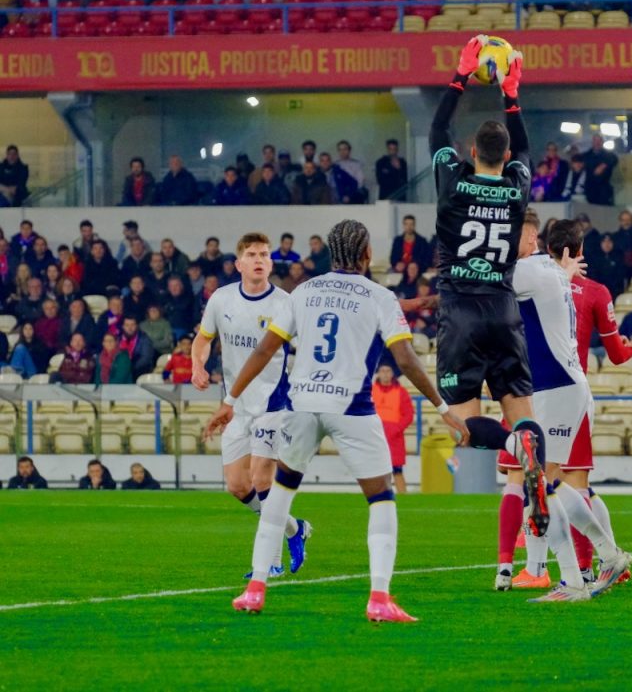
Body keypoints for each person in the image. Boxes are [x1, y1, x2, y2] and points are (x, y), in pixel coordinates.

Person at [207, 221, 467, 621]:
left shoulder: (303, 291)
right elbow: (405, 359)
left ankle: (255, 590)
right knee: (381, 498)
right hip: (351, 407)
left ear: (332, 253)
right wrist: (443, 407)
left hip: (301, 404)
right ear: (366, 254)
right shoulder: (379, 295)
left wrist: (229, 400)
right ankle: (379, 597)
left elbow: (263, 351)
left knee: (280, 492)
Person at [427, 37, 554, 556]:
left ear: (472, 152)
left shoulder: (452, 182)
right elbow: (524, 151)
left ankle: (510, 445)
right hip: (503, 308)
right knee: (523, 411)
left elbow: (437, 131)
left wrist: (460, 78)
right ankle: (527, 449)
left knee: (461, 425)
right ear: (503, 157)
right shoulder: (517, 185)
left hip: (460, 309)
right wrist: (512, 95)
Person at [494, 214, 632, 598]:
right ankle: (608, 555)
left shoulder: (530, 271)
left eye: (514, 234)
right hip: (560, 386)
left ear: (533, 239)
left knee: (540, 484)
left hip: (554, 387)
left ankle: (573, 578)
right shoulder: (547, 271)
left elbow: (485, 285)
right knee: (551, 480)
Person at [194, 232, 311, 580]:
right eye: (252, 254)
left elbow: (307, 346)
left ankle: (271, 562)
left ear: (271, 263)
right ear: (239, 264)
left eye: (264, 254)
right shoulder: (222, 299)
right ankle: (294, 528)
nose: (259, 260)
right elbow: (203, 338)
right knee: (237, 486)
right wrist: (198, 364)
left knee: (262, 477)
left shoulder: (286, 304)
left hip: (274, 403)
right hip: (236, 406)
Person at [372, 364, 414, 494]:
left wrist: (397, 428)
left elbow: (409, 414)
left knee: (397, 470)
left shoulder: (401, 392)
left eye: (388, 371)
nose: (385, 374)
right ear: (378, 373)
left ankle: (403, 497)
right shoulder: (370, 391)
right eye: (382, 371)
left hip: (394, 438)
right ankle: (378, 497)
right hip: (375, 436)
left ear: (392, 373)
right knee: (375, 471)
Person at [581, 134, 618, 206]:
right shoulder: (586, 156)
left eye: (599, 140)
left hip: (604, 191)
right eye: (595, 140)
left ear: (602, 142)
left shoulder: (609, 155)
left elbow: (614, 159)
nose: (597, 143)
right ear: (592, 142)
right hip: (590, 189)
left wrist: (603, 166)